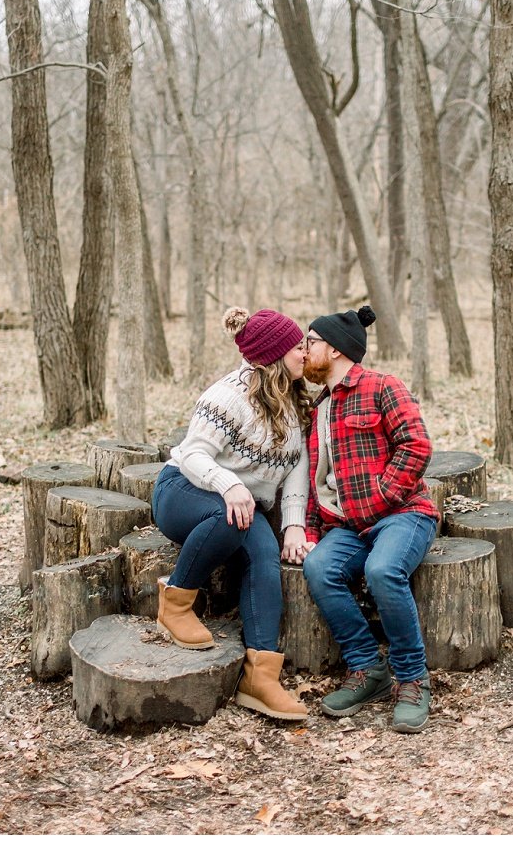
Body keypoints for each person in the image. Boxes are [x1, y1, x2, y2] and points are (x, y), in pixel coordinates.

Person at [150, 307, 312, 721]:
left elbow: (296, 467)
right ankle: (175, 604)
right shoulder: (226, 396)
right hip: (184, 491)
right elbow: (192, 455)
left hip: (239, 505)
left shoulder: (291, 399)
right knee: (229, 517)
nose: (305, 354)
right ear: (275, 355)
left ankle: (260, 678)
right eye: (297, 347)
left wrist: (293, 525)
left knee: (264, 557)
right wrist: (230, 485)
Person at [299, 305, 437, 733]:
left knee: (383, 570)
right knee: (318, 568)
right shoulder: (318, 407)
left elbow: (415, 446)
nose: (303, 351)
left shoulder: (382, 387)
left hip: (403, 515)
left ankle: (413, 678)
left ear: (336, 350)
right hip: (346, 526)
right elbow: (315, 478)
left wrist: (381, 497)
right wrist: (309, 530)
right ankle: (368, 670)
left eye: (310, 342)